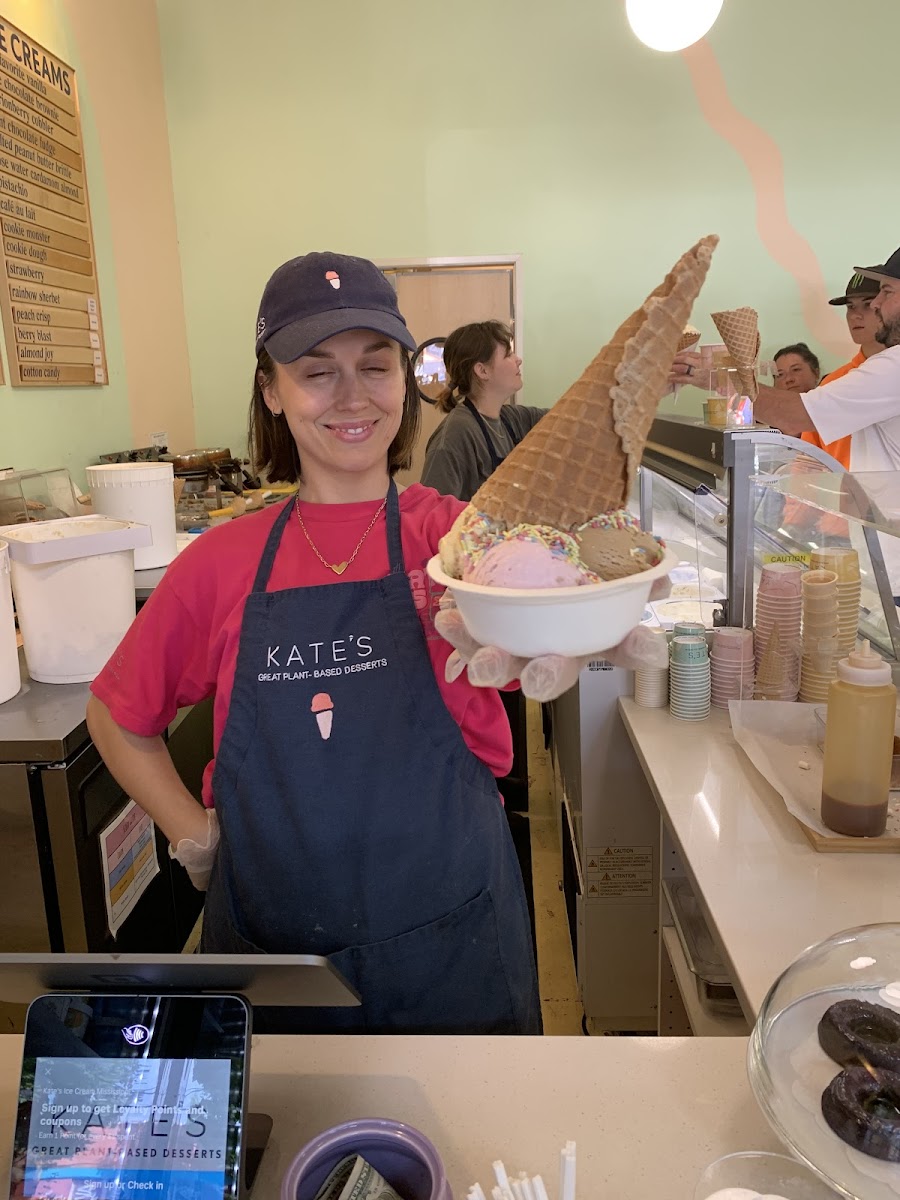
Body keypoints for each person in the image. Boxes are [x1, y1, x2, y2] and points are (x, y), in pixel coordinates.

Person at [86, 252, 661, 1035]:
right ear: (271, 390)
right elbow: (117, 716)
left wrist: (587, 619)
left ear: (405, 381)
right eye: (317, 371)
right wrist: (193, 832)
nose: (352, 396)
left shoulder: (458, 542)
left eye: (375, 365)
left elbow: (542, 613)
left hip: (455, 942)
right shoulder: (220, 565)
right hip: (278, 955)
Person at [420, 321, 545, 500]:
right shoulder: (454, 436)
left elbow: (566, 418)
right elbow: (431, 515)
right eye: (508, 354)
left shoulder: (512, 418)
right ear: (482, 370)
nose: (518, 360)